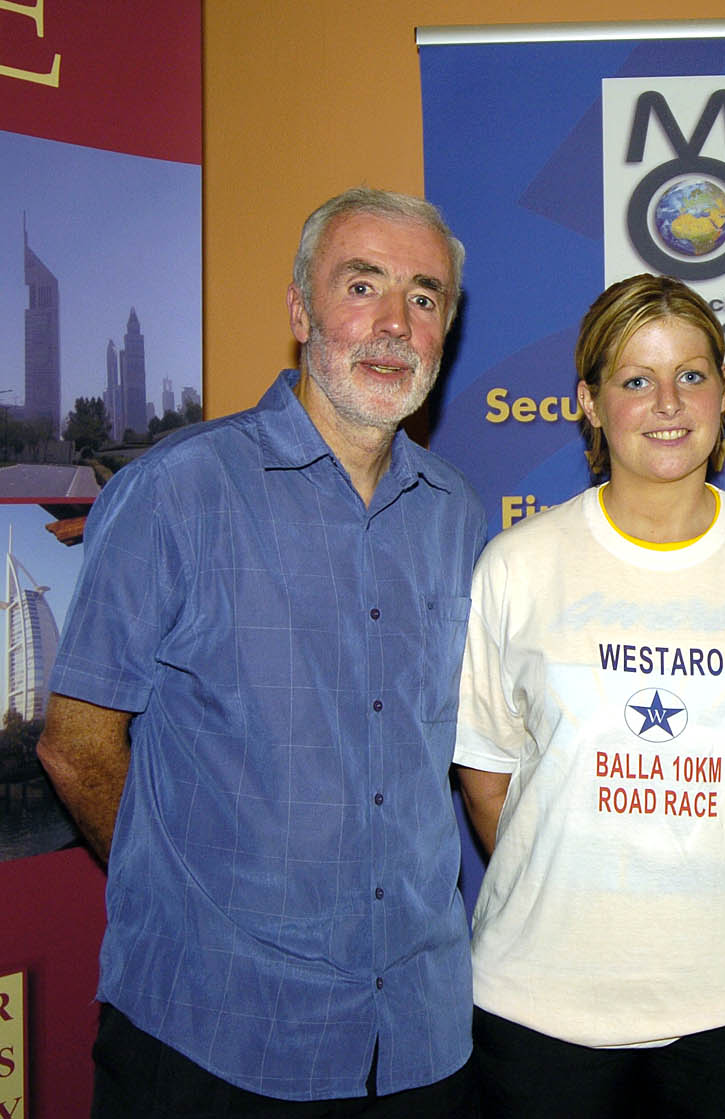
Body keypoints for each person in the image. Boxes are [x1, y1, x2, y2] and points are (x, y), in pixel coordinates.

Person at [37, 187, 485, 1117]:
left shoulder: (458, 514)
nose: (395, 324)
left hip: (418, 1038)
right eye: (362, 285)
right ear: (299, 309)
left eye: (426, 296)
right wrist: (189, 900)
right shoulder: (177, 492)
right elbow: (75, 744)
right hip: (212, 1033)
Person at [454, 273, 725, 1119]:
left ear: (724, 393)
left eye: (693, 374)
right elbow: (488, 780)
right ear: (590, 404)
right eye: (635, 379)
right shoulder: (517, 566)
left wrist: (698, 861)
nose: (668, 402)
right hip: (541, 1002)